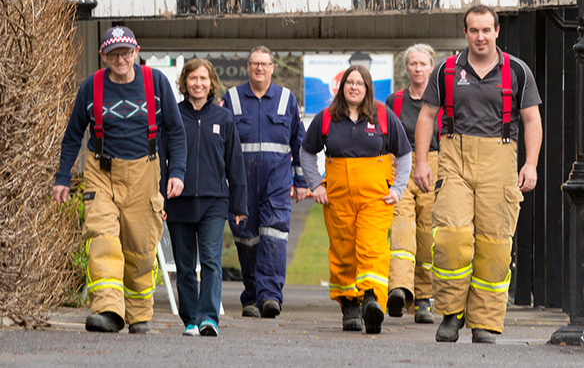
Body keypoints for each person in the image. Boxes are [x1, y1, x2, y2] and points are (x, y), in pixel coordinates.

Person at [414, 4, 543, 344]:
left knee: (495, 245)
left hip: (499, 161)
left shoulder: (517, 71)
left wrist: (530, 164)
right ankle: (452, 314)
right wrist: (423, 162)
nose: (480, 37)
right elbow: (427, 116)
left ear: (497, 32)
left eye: (487, 30)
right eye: (474, 30)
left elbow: (532, 120)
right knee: (451, 239)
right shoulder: (445, 70)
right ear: (466, 33)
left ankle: (485, 321)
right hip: (454, 158)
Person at [53, 26, 187, 334]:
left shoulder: (156, 83)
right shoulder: (91, 87)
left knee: (140, 249)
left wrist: (177, 172)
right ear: (103, 56)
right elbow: (73, 135)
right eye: (113, 54)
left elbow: (176, 132)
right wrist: (62, 177)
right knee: (103, 238)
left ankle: (139, 315)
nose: (120, 59)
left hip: (145, 172)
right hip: (102, 173)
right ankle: (108, 310)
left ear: (136, 51)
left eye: (126, 52)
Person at [300, 65, 412, 334]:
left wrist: (397, 188)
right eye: (350, 82)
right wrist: (315, 185)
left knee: (372, 246)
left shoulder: (384, 116)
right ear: (342, 86)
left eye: (360, 83)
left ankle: (372, 299)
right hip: (337, 197)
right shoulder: (327, 118)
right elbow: (306, 152)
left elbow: (404, 153)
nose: (354, 87)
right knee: (343, 250)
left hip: (376, 197)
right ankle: (349, 305)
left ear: (368, 88)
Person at [159, 59, 248, 337]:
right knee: (185, 267)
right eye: (193, 78)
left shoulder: (223, 119)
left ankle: (209, 318)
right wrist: (161, 198)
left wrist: (239, 204)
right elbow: (161, 160)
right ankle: (190, 319)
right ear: (184, 82)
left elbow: (235, 163)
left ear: (212, 84)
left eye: (203, 78)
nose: (198, 83)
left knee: (210, 262)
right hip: (179, 202)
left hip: (214, 202)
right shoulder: (172, 116)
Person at [220, 46, 308, 318]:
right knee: (246, 240)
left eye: (264, 64)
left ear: (272, 67)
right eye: (254, 63)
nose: (259, 68)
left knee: (274, 236)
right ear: (248, 67)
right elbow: (220, 143)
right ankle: (251, 297)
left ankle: (270, 296)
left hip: (276, 183)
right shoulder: (232, 99)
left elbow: (299, 142)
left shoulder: (286, 99)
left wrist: (302, 180)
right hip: (241, 183)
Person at [385, 44, 439, 323]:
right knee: (402, 231)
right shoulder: (394, 102)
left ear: (432, 67)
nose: (418, 69)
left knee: (428, 235)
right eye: (413, 64)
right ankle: (400, 291)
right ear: (406, 68)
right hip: (401, 168)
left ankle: (424, 300)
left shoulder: (443, 102)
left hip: (435, 167)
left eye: (423, 64)